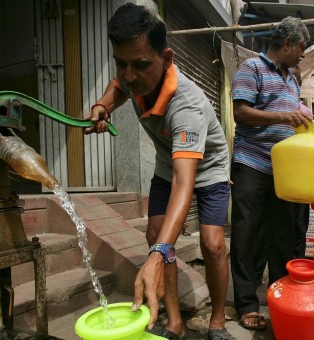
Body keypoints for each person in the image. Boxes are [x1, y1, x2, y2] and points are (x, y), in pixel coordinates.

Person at [83, 4, 233, 340]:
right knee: (155, 236)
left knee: (212, 244)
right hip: (169, 162)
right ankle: (175, 322)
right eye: (121, 63)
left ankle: (219, 321)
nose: (130, 73)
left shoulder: (187, 106)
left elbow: (186, 180)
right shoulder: (133, 78)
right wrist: (102, 105)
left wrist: (159, 255)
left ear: (166, 59)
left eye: (140, 65)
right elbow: (120, 86)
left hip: (208, 168)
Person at [229, 17, 311, 331]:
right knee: (248, 235)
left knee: (282, 238)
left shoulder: (293, 79)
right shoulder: (251, 69)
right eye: (302, 47)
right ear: (287, 43)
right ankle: (247, 304)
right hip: (252, 164)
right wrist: (282, 115)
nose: (303, 54)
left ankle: (280, 298)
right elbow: (240, 113)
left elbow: (294, 120)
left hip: (285, 171)